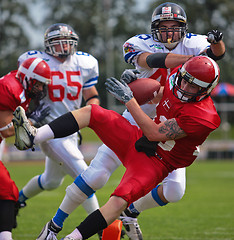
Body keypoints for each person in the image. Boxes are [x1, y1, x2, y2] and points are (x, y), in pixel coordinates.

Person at [17, 3, 226, 240]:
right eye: (163, 26)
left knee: (174, 191)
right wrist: (141, 78)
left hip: (164, 135)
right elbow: (153, 60)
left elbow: (217, 54)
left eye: (174, 27)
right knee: (95, 174)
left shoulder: (200, 103)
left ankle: (129, 213)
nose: (169, 32)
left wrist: (212, 47)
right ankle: (54, 225)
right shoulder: (141, 44)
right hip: (135, 119)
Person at [16, 23, 102, 238]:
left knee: (50, 181)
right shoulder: (37, 61)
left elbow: (91, 94)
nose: (63, 47)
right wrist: (31, 114)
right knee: (86, 177)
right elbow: (25, 90)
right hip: (49, 131)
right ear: (47, 45)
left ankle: (17, 200)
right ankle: (102, 229)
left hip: (73, 130)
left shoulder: (85, 63)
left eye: (67, 42)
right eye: (58, 42)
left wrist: (94, 109)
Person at [0, 57, 51, 240]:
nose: (40, 89)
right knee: (7, 192)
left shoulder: (19, 84)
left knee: (8, 193)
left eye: (42, 85)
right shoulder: (10, 89)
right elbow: (5, 130)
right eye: (38, 84)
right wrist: (31, 121)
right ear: (28, 78)